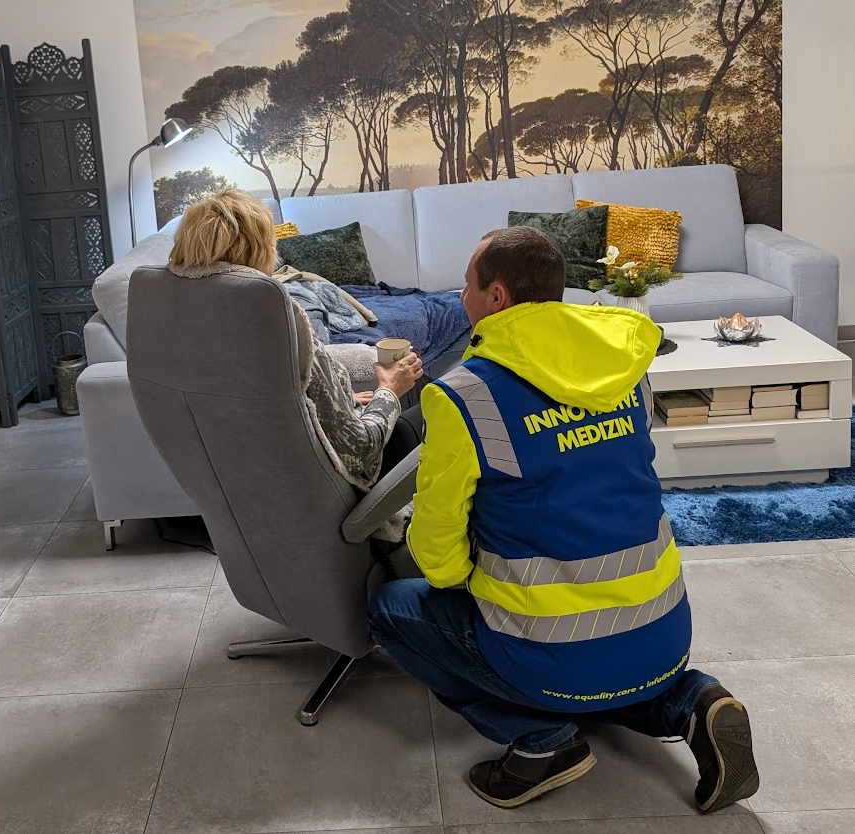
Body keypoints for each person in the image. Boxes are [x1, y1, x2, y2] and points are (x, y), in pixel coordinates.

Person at [368, 226, 759, 812]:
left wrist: (468, 582)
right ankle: (691, 701)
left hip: (546, 650)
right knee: (601, 663)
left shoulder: (464, 396)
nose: (460, 295)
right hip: (664, 632)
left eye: (466, 285)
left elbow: (440, 553)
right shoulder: (626, 368)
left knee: (391, 608)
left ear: (496, 296)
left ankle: (542, 742)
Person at [168, 189, 424, 490]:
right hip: (332, 481)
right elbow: (358, 452)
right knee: (437, 401)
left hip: (245, 477)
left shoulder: (186, 320)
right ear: (259, 251)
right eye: (272, 244)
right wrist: (388, 390)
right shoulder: (282, 319)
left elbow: (258, 402)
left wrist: (341, 402)